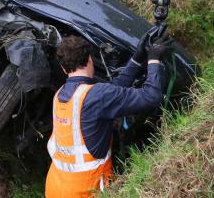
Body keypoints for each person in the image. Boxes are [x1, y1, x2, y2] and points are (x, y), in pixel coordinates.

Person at [45, 32, 171, 198]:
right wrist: (154, 59)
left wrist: (136, 59)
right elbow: (151, 96)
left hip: (54, 187)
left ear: (63, 68)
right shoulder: (97, 95)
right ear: (90, 60)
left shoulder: (60, 96)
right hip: (86, 191)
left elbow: (112, 91)